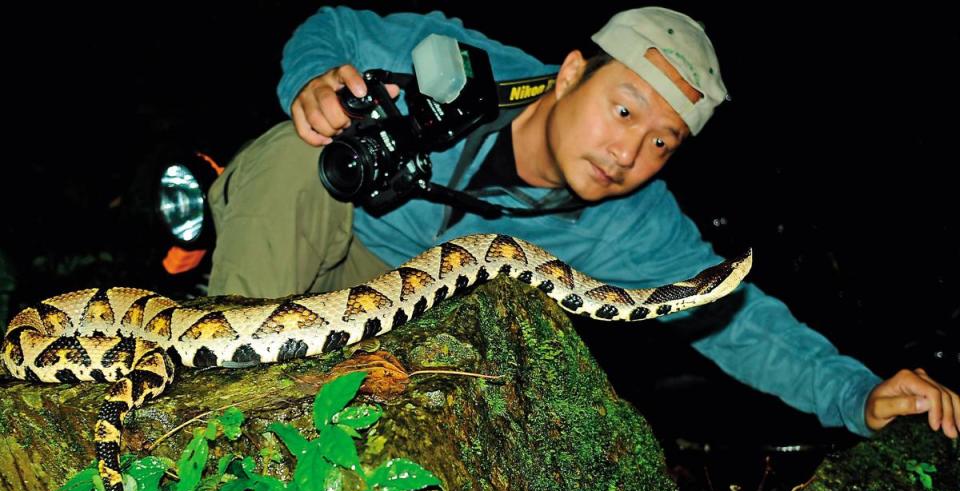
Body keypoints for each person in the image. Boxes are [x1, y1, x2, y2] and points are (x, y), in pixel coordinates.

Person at [205, 6, 958, 440]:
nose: (629, 151)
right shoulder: (462, 64)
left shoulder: (635, 226)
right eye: (623, 109)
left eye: (662, 141)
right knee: (297, 154)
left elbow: (736, 322)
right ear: (570, 75)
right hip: (315, 233)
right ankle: (212, 390)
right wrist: (311, 78)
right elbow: (332, 25)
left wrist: (858, 393)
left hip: (401, 318)